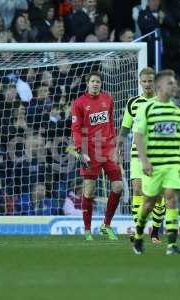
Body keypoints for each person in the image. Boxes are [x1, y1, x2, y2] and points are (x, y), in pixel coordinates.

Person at [132, 69, 180, 255]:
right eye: (170, 83)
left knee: (171, 197)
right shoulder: (147, 108)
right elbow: (137, 136)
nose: (175, 86)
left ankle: (172, 244)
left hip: (171, 165)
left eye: (175, 83)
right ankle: (138, 235)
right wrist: (144, 161)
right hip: (153, 165)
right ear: (160, 86)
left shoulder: (177, 112)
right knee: (149, 203)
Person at [71, 71, 123, 241]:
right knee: (89, 190)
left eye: (98, 82)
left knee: (118, 187)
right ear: (87, 83)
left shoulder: (108, 99)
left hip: (108, 149)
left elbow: (111, 124)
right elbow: (76, 130)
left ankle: (106, 225)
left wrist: (116, 146)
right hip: (90, 151)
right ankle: (87, 230)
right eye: (92, 81)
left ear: (101, 84)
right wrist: (81, 150)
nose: (95, 84)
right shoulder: (79, 103)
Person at [116, 67, 165, 244]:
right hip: (137, 154)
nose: (147, 84)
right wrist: (117, 148)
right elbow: (125, 127)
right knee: (137, 189)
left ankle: (155, 232)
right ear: (139, 82)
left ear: (155, 82)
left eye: (150, 81)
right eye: (144, 81)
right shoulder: (133, 103)